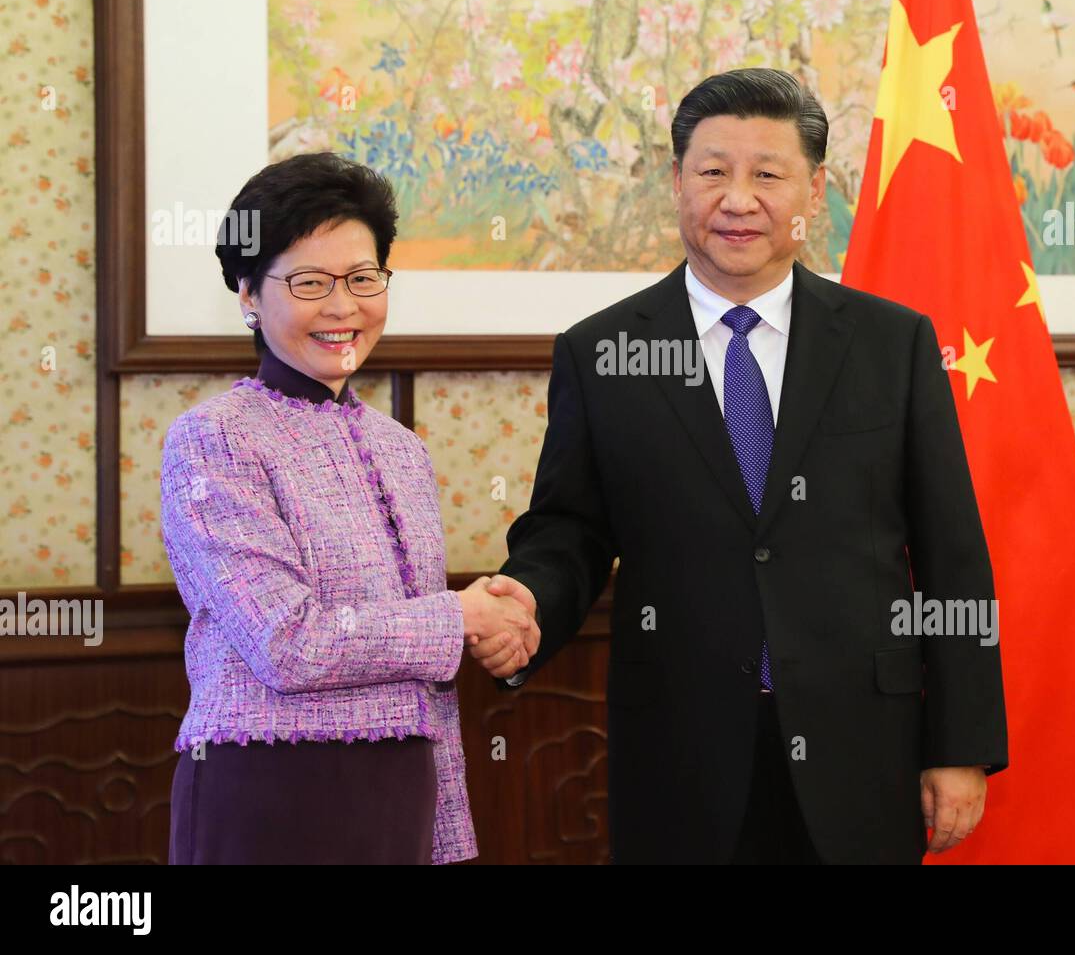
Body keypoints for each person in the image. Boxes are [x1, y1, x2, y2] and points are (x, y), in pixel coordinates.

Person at [473, 68, 1009, 864]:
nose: (738, 198)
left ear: (814, 188)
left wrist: (959, 744)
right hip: (681, 748)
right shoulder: (600, 351)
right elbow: (572, 531)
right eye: (713, 171)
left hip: (860, 741)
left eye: (768, 174)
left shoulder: (891, 344)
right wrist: (527, 608)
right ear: (677, 181)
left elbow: (951, 553)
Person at [160, 152, 539, 864]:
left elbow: (427, 676)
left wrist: (450, 837)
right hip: (267, 795)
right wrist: (459, 616)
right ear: (247, 295)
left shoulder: (402, 449)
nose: (343, 307)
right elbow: (287, 642)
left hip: (400, 799)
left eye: (363, 279)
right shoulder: (212, 440)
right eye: (309, 282)